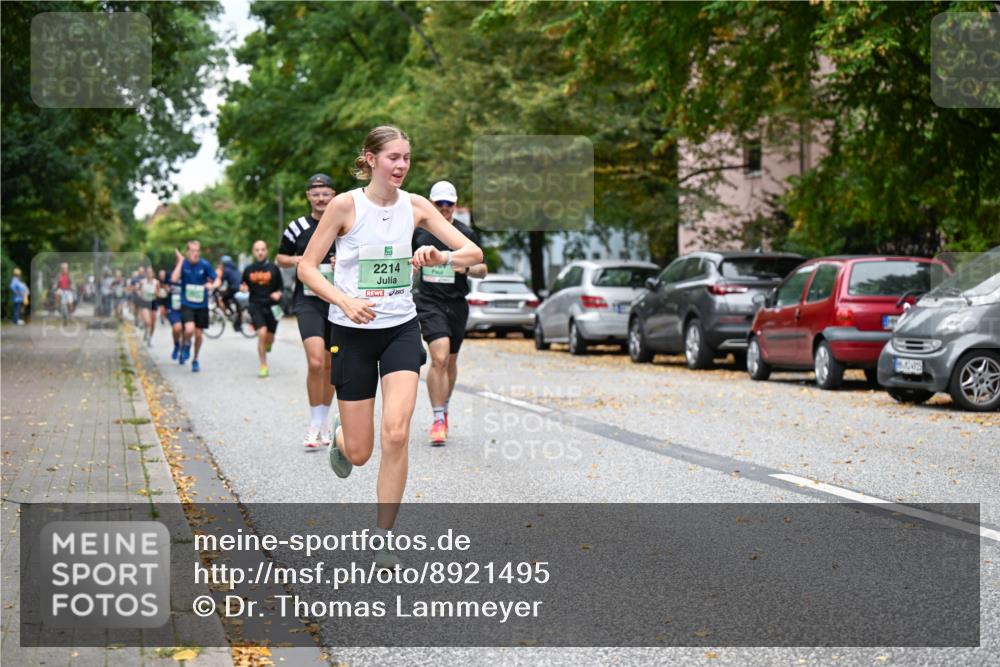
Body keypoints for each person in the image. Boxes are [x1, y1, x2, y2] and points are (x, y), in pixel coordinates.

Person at [299, 125, 483, 567]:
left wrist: (442, 257)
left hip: (400, 328)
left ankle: (383, 539)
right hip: (351, 332)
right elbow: (307, 267)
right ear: (370, 159)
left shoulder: (416, 206)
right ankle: (342, 441)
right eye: (392, 157)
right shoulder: (346, 205)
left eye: (406, 158)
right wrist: (344, 299)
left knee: (397, 433)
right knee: (362, 452)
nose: (401, 166)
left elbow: (473, 253)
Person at [412, 181, 488, 445]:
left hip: (456, 302)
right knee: (440, 356)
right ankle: (437, 418)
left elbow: (482, 269)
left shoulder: (465, 233)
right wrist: (412, 267)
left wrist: (465, 268)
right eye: (439, 204)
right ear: (431, 204)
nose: (444, 209)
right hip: (429, 301)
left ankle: (443, 408)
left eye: (449, 204)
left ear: (455, 204)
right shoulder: (419, 232)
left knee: (451, 361)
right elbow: (405, 258)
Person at [276, 173, 339, 449]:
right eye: (316, 193)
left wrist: (344, 262)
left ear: (334, 195)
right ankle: (315, 421)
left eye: (326, 193)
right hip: (309, 301)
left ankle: (325, 420)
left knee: (331, 364)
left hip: (337, 301)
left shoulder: (345, 225)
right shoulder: (297, 226)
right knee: (315, 362)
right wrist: (298, 260)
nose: (321, 198)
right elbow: (280, 257)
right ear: (308, 197)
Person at [171, 240, 219, 372]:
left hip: (201, 305)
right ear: (187, 252)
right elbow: (174, 279)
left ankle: (195, 359)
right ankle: (186, 344)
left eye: (197, 251)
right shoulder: (184, 264)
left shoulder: (204, 264)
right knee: (189, 329)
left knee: (198, 335)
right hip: (187, 304)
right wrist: (180, 261)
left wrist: (213, 285)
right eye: (192, 251)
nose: (195, 254)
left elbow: (217, 279)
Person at [241, 240, 284, 378]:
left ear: (266, 251)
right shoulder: (248, 270)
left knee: (270, 338)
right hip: (255, 305)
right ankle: (263, 365)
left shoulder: (273, 268)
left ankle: (268, 343)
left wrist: (278, 294)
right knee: (262, 333)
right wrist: (243, 288)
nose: (260, 252)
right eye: (257, 250)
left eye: (262, 249)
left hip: (272, 306)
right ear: (253, 252)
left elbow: (281, 288)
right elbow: (243, 285)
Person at [161, 268, 185, 359]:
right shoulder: (169, 275)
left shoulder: (187, 276)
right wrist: (163, 305)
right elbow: (164, 289)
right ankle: (176, 345)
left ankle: (182, 352)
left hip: (185, 308)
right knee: (177, 328)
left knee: (185, 331)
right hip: (173, 308)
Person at [217, 255, 245, 332]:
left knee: (223, 298)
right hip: (238, 289)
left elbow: (222, 281)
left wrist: (217, 287)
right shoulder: (235, 268)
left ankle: (231, 313)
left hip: (233, 289)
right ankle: (233, 314)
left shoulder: (226, 270)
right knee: (231, 299)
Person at [139, 267, 159, 345]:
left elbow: (158, 294)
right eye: (147, 272)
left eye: (150, 272)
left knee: (153, 324)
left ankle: (150, 338)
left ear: (153, 274)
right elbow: (139, 291)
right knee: (148, 322)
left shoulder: (156, 282)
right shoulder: (142, 282)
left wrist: (155, 293)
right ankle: (146, 330)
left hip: (153, 303)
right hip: (145, 303)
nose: (149, 274)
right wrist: (142, 295)